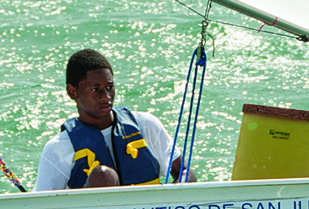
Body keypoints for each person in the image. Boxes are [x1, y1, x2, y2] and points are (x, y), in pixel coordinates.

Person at [33, 49, 195, 191]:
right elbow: (40, 205)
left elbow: (184, 171)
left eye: (109, 87)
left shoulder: (146, 125)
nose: (106, 97)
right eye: (95, 90)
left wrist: (180, 189)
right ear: (72, 92)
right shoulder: (58, 148)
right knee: (103, 176)